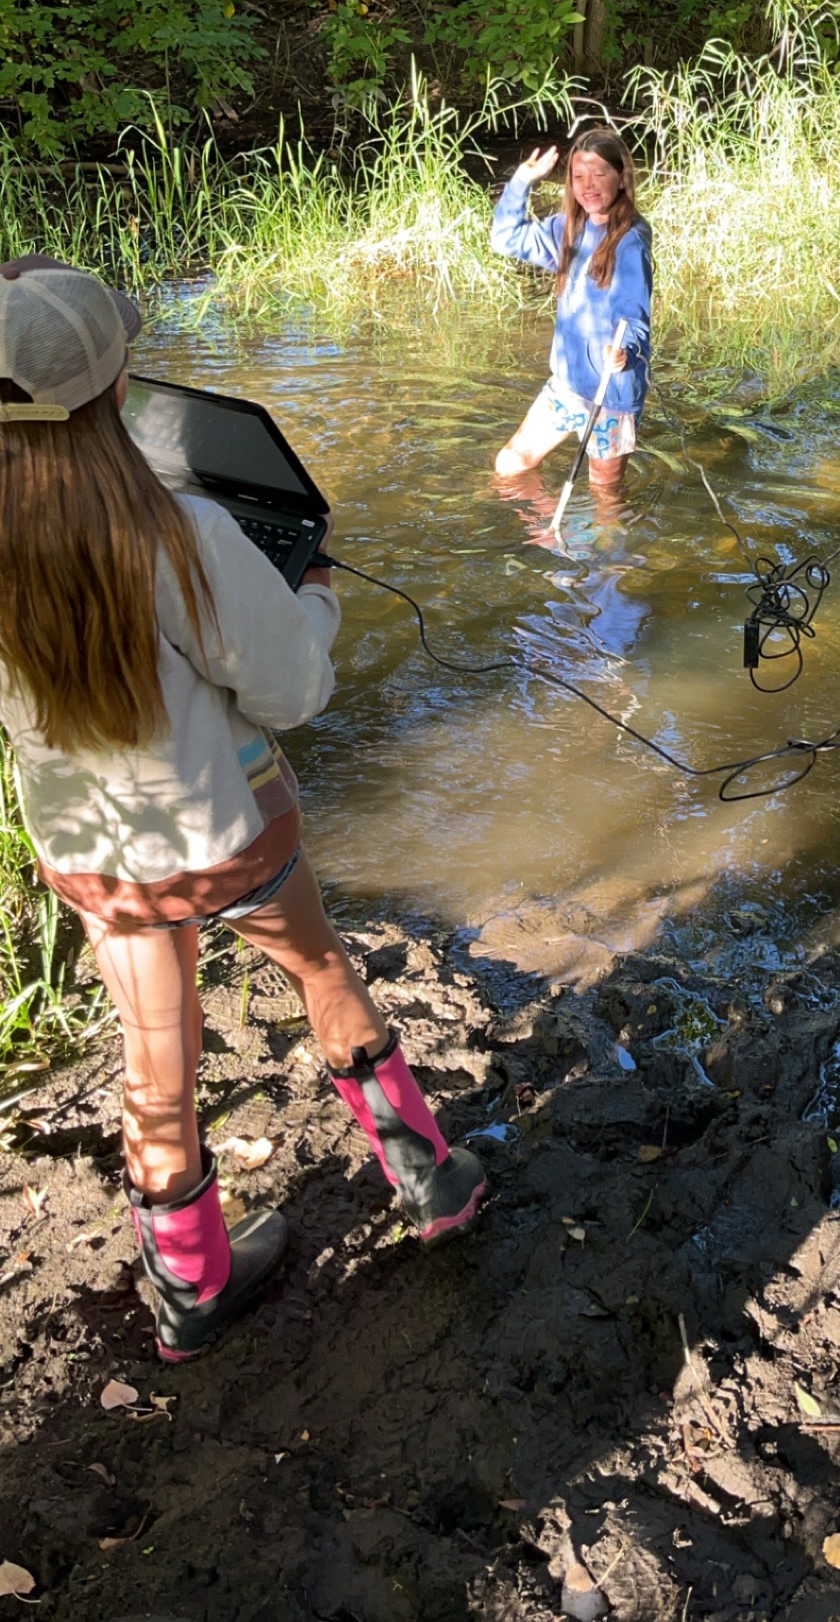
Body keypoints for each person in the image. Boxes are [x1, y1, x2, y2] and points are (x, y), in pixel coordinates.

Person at [0, 256, 486, 1362]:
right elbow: (292, 692)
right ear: (120, 393)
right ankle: (430, 1181)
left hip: (94, 857)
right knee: (320, 972)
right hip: (227, 836)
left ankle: (191, 1284)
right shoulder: (180, 536)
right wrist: (308, 599)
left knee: (151, 1061)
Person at [490, 126, 652, 499]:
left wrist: (625, 351)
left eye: (599, 174)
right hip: (566, 385)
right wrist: (522, 181)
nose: (588, 185)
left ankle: (606, 555)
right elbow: (505, 238)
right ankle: (554, 539)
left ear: (621, 179)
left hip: (610, 395)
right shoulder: (566, 229)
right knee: (511, 465)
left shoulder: (630, 241)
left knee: (604, 497)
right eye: (579, 176)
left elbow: (634, 314)